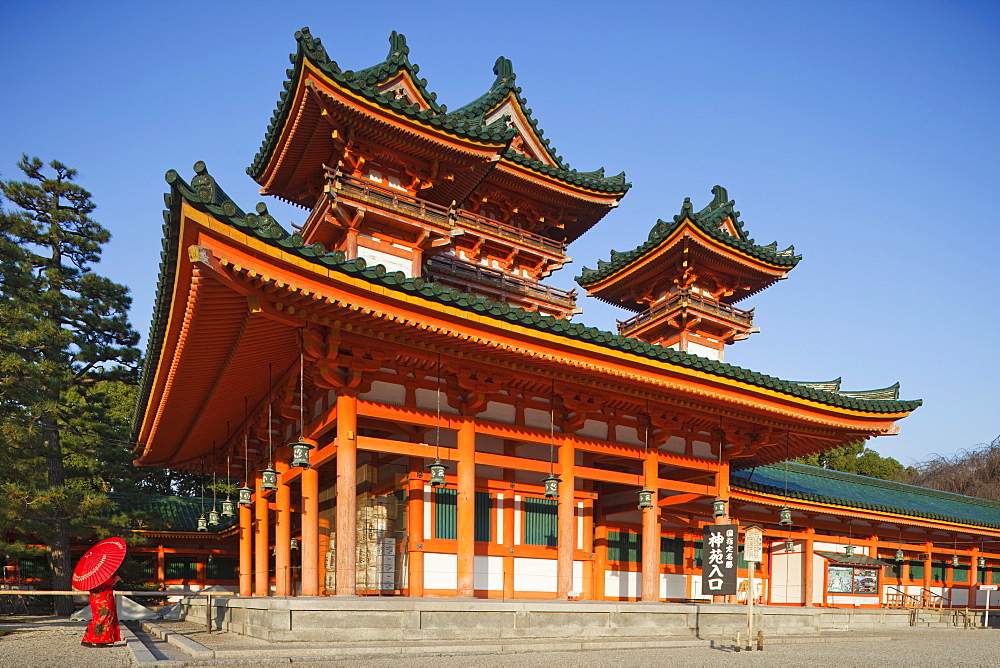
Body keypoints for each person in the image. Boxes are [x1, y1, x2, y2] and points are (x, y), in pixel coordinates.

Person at [81, 574, 121, 647]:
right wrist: (115, 580)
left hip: (97, 598)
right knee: (102, 618)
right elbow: (105, 582)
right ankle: (93, 639)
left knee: (102, 618)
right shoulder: (99, 575)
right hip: (103, 598)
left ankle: (101, 639)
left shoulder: (91, 574)